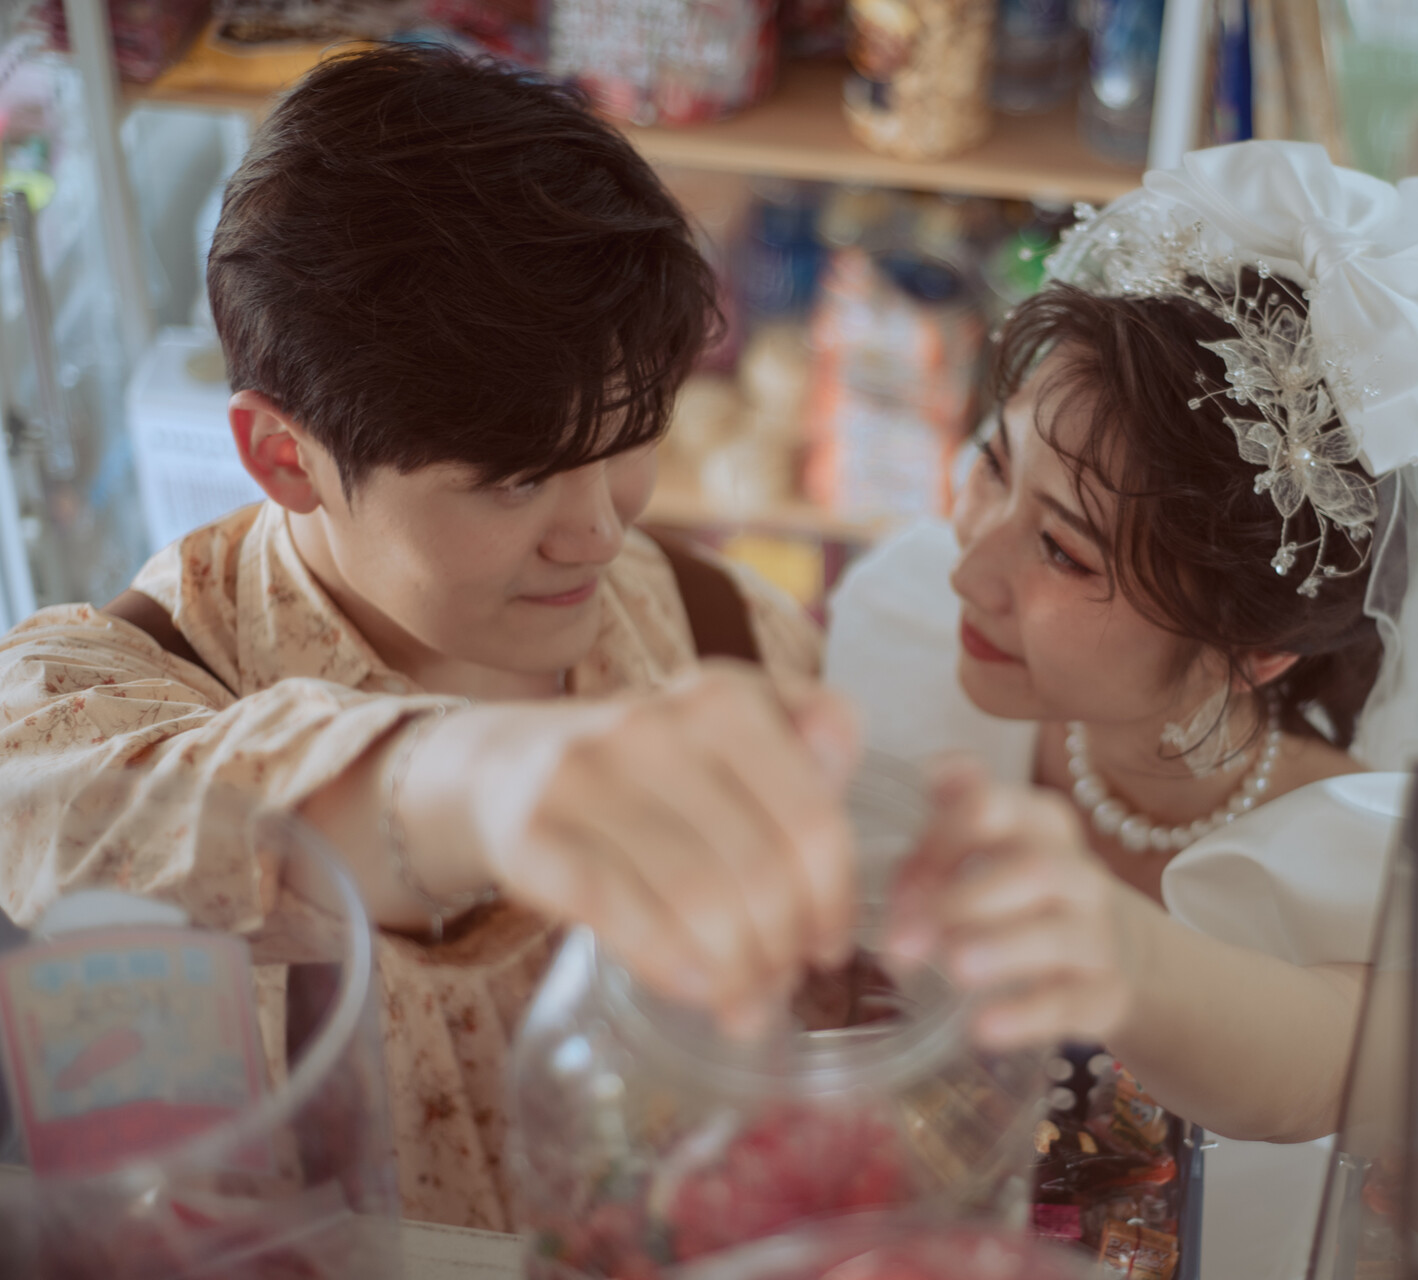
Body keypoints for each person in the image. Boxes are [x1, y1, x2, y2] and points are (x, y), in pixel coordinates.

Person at [0, 45, 863, 1229]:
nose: (601, 530)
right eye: (517, 481)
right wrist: (476, 779)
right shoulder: (105, 694)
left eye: (632, 435)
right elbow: (59, 820)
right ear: (282, 455)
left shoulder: (725, 633)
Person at [824, 141, 1418, 1275]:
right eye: (995, 467)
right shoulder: (919, 646)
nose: (967, 570)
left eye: (1062, 550)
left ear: (1250, 651)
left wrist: (1101, 942)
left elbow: (1303, 1072)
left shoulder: (1398, 869)